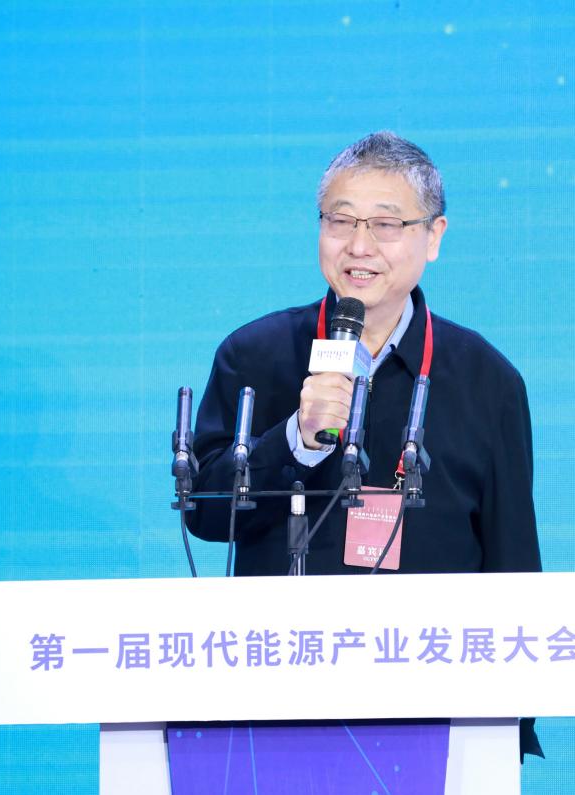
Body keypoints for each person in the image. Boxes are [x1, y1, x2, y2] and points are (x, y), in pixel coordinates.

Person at [186, 131, 543, 756]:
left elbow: (512, 556)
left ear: (433, 236)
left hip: (435, 708)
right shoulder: (254, 356)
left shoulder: (487, 380)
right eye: (341, 221)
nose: (359, 246)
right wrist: (295, 439)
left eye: (386, 224)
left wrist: (511, 722)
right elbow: (206, 514)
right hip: (278, 700)